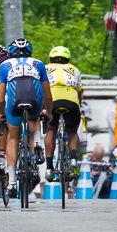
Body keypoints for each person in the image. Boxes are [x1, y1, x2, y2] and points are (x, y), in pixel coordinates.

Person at [0, 38, 52, 199]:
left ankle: (12, 181)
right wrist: (49, 111)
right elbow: (47, 94)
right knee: (33, 119)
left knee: (12, 137)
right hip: (34, 97)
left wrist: (1, 112)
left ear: (10, 54)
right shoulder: (38, 64)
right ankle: (36, 142)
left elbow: (0, 98)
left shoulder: (5, 66)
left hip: (15, 99)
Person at [43, 46, 83, 179]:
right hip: (71, 102)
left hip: (52, 102)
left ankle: (49, 168)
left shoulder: (45, 68)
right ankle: (73, 159)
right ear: (68, 59)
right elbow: (80, 91)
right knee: (72, 131)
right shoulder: (74, 69)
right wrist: (78, 107)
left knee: (51, 130)